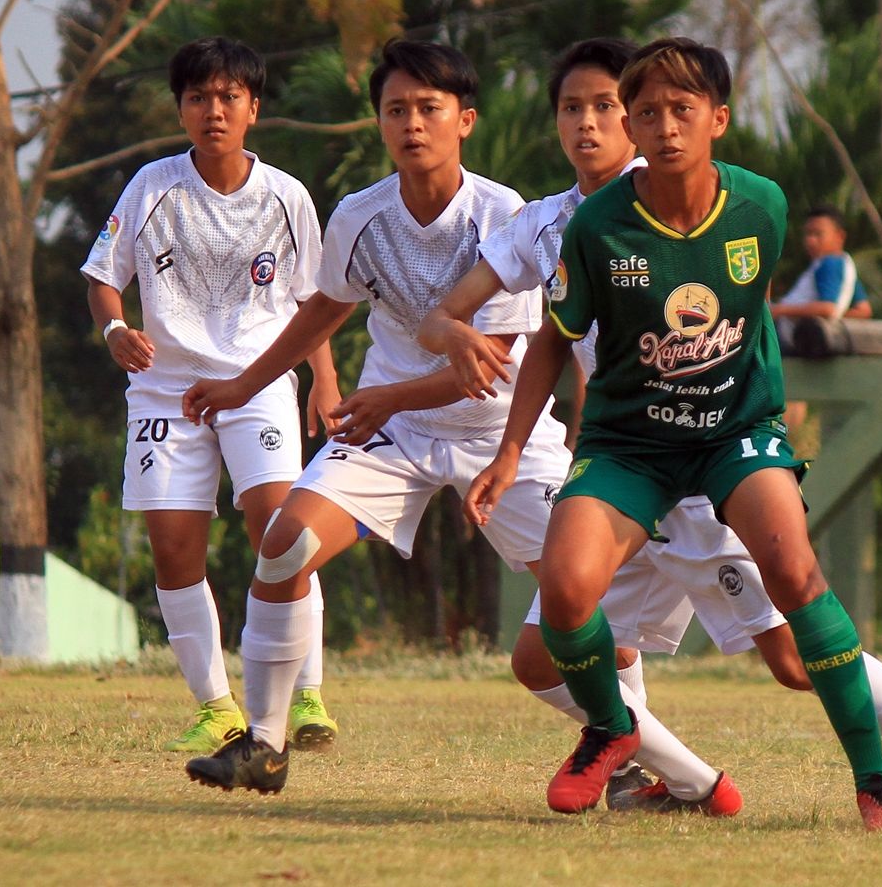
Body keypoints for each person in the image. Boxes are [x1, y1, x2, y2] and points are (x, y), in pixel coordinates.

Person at [421, 38, 882, 826]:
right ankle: (665, 768)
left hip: (718, 456)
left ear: (713, 119)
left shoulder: (755, 207)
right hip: (627, 456)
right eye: (578, 108)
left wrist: (760, 430)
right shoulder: (565, 226)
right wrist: (490, 410)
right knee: (547, 636)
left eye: (616, 107)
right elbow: (515, 326)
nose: (601, 123)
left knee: (793, 644)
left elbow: (750, 322)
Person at [176, 40, 582, 794]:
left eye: (429, 109)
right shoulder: (359, 216)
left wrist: (385, 397)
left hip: (502, 437)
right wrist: (242, 384)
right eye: (396, 110)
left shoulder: (505, 216)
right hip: (395, 435)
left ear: (465, 121)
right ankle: (263, 743)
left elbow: (484, 368)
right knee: (284, 546)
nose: (412, 124)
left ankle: (621, 746)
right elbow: (323, 312)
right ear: (380, 123)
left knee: (580, 591)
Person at [80, 36, 342, 755]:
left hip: (257, 385)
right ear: (182, 109)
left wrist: (325, 378)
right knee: (172, 549)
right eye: (199, 98)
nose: (213, 110)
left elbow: (315, 300)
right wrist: (115, 332)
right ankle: (217, 707)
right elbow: (103, 274)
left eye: (229, 97)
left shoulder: (286, 195)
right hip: (166, 393)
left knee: (280, 531)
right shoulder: (151, 186)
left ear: (253, 108)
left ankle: (307, 691)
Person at [769, 205, 872, 334]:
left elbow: (827, 308)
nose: (810, 240)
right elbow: (864, 310)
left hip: (792, 338)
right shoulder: (846, 267)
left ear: (840, 236)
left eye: (818, 234)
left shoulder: (829, 263)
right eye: (808, 234)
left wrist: (781, 310)